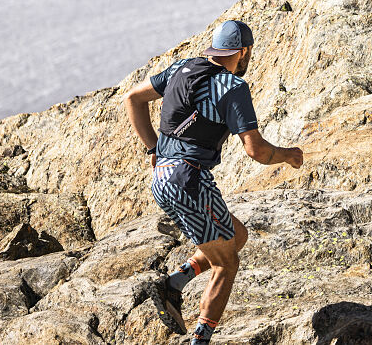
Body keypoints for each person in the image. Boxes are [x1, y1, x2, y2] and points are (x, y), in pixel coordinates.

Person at [124, 19, 303, 343]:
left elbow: (133, 99)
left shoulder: (182, 68)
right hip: (189, 182)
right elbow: (257, 150)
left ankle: (174, 283)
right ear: (243, 52)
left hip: (164, 177)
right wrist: (288, 155)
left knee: (237, 235)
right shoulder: (232, 88)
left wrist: (154, 148)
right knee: (227, 263)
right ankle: (200, 339)